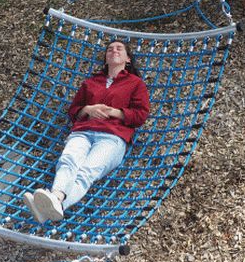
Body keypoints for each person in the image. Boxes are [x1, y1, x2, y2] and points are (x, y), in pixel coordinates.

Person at [23, 40, 150, 223]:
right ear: (105, 58)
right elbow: (74, 110)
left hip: (112, 137)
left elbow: (140, 115)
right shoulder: (91, 82)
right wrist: (88, 110)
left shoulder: (135, 84)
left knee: (86, 172)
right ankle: (54, 201)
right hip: (83, 131)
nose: (113, 50)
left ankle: (55, 202)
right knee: (68, 161)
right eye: (109, 49)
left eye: (119, 48)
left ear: (127, 59)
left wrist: (114, 112)